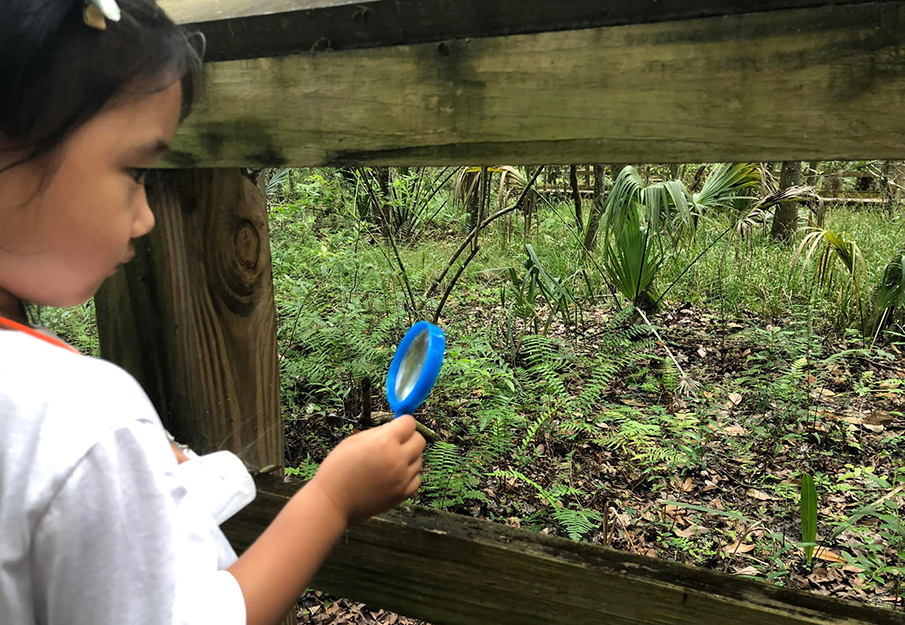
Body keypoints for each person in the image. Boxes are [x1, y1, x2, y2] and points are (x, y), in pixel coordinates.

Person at [0, 2, 426, 625]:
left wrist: (145, 474)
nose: (146, 217)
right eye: (137, 170)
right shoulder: (83, 416)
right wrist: (333, 499)